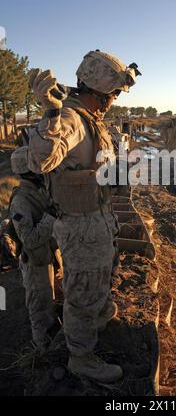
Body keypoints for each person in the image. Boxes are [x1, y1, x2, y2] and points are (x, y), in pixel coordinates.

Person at [27, 50, 140, 382]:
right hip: (81, 226)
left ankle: (98, 316)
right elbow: (40, 162)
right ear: (101, 90)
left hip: (97, 219)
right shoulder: (71, 120)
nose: (116, 98)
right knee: (82, 292)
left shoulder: (91, 120)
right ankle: (81, 357)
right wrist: (50, 111)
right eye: (115, 92)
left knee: (98, 282)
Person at [10, 146, 59, 349]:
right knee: (39, 307)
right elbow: (28, 239)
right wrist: (50, 217)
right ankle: (42, 351)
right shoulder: (21, 201)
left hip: (46, 257)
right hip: (35, 263)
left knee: (50, 302)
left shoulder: (38, 191)